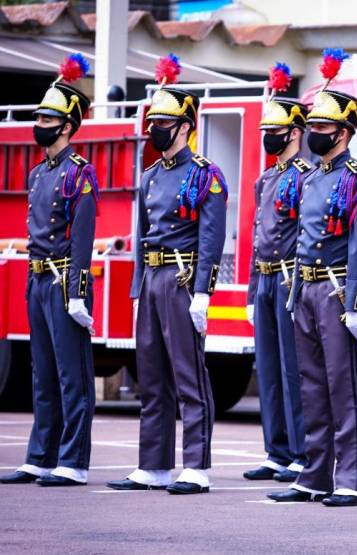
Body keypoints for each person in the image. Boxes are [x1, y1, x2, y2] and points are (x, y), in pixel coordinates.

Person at [108, 58, 228, 494]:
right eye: (153, 120)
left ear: (186, 126)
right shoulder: (150, 176)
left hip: (181, 279)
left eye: (165, 121)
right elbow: (142, 236)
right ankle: (153, 463)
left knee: (188, 375)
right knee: (151, 375)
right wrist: (137, 286)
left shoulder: (206, 176)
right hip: (154, 280)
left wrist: (203, 293)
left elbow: (211, 240)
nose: (156, 127)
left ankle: (196, 465)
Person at [265, 86, 357, 507]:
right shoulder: (311, 178)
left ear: (344, 132)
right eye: (311, 125)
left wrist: (355, 303)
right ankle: (316, 474)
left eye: (323, 126)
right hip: (308, 288)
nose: (314, 132)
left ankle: (351, 478)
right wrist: (295, 290)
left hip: (336, 290)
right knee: (311, 385)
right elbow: (300, 239)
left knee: (343, 386)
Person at [0, 55, 98, 487]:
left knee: (70, 374)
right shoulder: (40, 172)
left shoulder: (81, 174)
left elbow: (81, 238)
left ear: (66, 126)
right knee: (41, 372)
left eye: (47, 117)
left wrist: (77, 292)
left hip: (63, 281)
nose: (38, 123)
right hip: (37, 278)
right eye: (39, 116)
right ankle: (40, 455)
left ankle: (72, 460)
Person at [242, 81, 311, 483]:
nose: (269, 136)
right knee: (267, 368)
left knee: (293, 370)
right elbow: (257, 235)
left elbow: (305, 234)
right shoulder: (266, 179)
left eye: (276, 129)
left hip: (289, 279)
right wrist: (252, 290)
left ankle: (301, 451)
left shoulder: (303, 177)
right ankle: (277, 449)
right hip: (266, 280)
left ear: (295, 132)